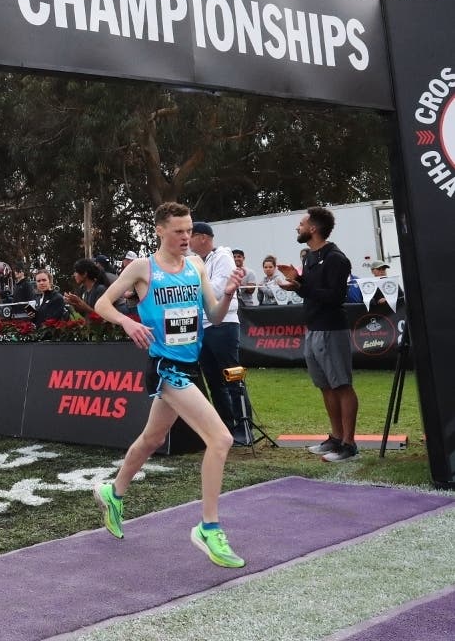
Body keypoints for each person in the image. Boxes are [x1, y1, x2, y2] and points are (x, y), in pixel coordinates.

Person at [92, 201, 246, 569]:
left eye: (189, 230)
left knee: (152, 438)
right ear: (159, 230)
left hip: (189, 365)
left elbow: (214, 316)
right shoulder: (143, 269)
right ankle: (208, 527)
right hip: (165, 366)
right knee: (221, 439)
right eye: (178, 231)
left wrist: (227, 293)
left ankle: (113, 493)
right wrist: (128, 323)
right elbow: (101, 304)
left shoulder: (196, 266)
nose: (186, 237)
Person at [279, 206, 358, 463]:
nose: (297, 228)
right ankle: (335, 438)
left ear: (313, 228)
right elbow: (313, 290)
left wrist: (302, 287)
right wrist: (297, 282)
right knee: (325, 385)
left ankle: (349, 444)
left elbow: (335, 297)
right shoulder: (309, 256)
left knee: (342, 384)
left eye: (301, 224)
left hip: (332, 329)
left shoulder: (336, 258)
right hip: (313, 328)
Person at [190, 223, 253, 446]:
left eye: (191, 236)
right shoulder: (198, 261)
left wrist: (191, 290)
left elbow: (217, 289)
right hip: (203, 326)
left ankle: (244, 427)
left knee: (232, 376)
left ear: (204, 238)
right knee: (213, 380)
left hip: (224, 324)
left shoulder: (222, 256)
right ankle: (225, 426)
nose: (187, 240)